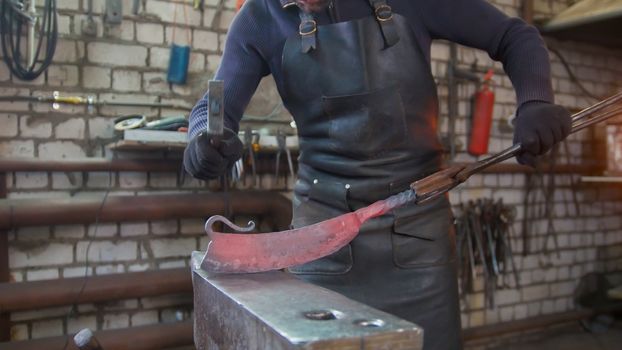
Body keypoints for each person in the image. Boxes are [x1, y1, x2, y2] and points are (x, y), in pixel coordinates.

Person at [184, 0, 572, 349]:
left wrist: (535, 101)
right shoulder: (259, 17)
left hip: (417, 231)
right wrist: (204, 139)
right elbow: (214, 106)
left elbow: (513, 34)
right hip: (323, 237)